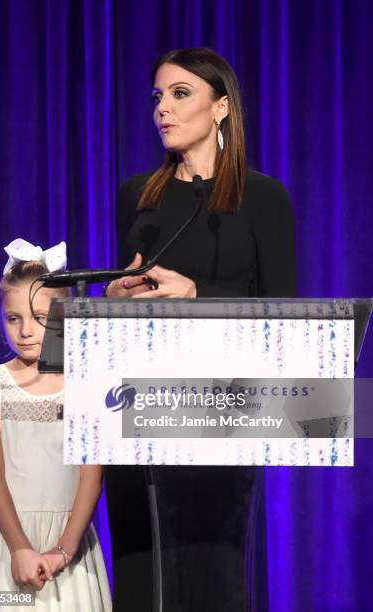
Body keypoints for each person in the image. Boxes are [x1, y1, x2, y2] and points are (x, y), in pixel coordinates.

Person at [105, 48, 296, 612]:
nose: (162, 108)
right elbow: (128, 302)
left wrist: (198, 296)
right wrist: (114, 299)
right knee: (144, 579)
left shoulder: (263, 198)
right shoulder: (138, 196)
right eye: (157, 96)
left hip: (223, 415)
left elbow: (285, 317)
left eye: (180, 94)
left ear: (222, 108)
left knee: (214, 578)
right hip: (137, 412)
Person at [0, 239, 112, 612]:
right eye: (13, 318)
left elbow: (91, 478)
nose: (26, 331)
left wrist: (64, 550)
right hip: (4, 540)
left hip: (68, 542)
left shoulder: (86, 381)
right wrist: (20, 549)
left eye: (40, 317)